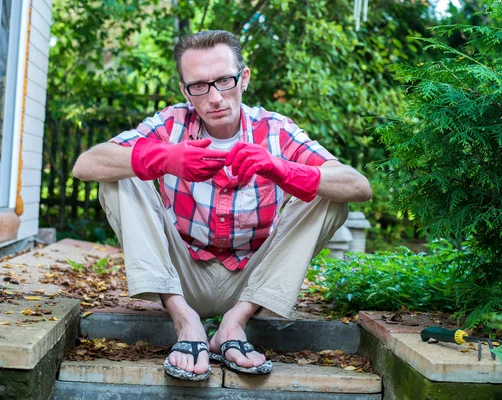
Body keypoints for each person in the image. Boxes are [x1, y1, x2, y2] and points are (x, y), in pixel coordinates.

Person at [72, 30, 372, 381]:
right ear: (186, 91)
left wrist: (281, 168)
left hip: (250, 280)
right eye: (199, 86)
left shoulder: (274, 129)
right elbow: (86, 165)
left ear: (244, 78)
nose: (215, 97)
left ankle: (234, 323)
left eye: (225, 81)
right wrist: (164, 157)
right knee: (120, 172)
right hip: (181, 277)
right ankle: (185, 321)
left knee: (330, 196)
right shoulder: (172, 123)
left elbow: (358, 185)